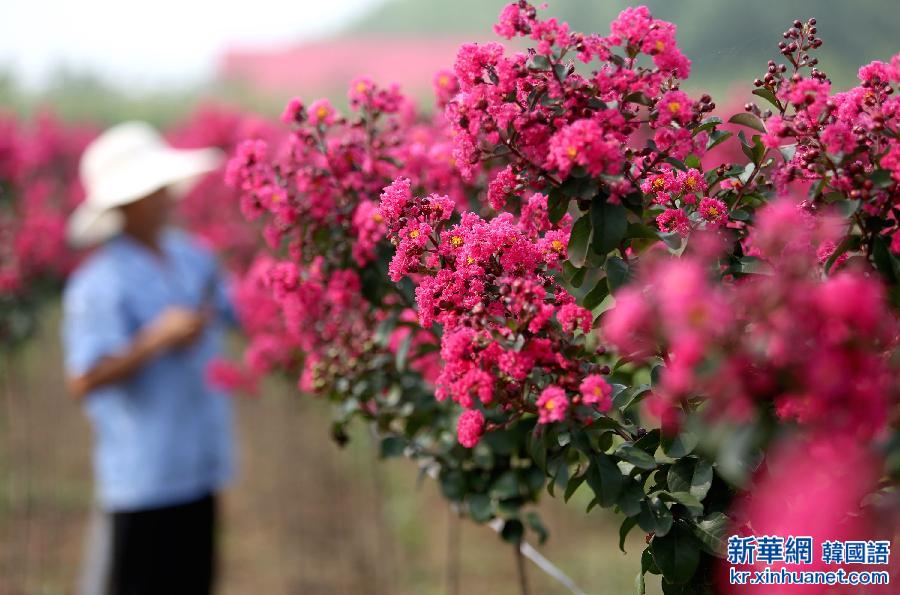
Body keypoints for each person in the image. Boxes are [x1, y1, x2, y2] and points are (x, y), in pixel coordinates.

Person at [62, 122, 236, 595]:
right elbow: (83, 378)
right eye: (150, 189)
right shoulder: (99, 283)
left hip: (198, 464)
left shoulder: (191, 256)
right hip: (142, 476)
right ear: (122, 205)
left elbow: (236, 308)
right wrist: (153, 341)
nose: (164, 197)